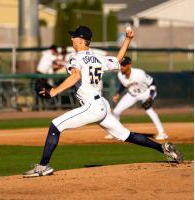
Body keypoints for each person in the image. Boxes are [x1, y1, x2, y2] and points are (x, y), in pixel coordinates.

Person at [23, 25, 182, 178]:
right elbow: (118, 60)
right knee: (126, 135)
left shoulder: (75, 58)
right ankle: (163, 148)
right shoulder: (98, 58)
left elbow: (76, 76)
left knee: (56, 125)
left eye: (74, 36)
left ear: (80, 40)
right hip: (102, 106)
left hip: (92, 106)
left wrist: (54, 91)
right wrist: (128, 39)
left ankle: (44, 166)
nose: (71, 38)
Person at [105, 56, 168, 141]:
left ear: (129, 65)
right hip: (131, 95)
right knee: (116, 111)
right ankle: (115, 133)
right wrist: (118, 94)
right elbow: (124, 85)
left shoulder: (139, 73)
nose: (122, 67)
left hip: (145, 93)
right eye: (120, 65)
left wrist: (151, 96)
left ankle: (162, 133)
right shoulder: (120, 74)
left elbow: (152, 83)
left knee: (149, 110)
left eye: (124, 64)